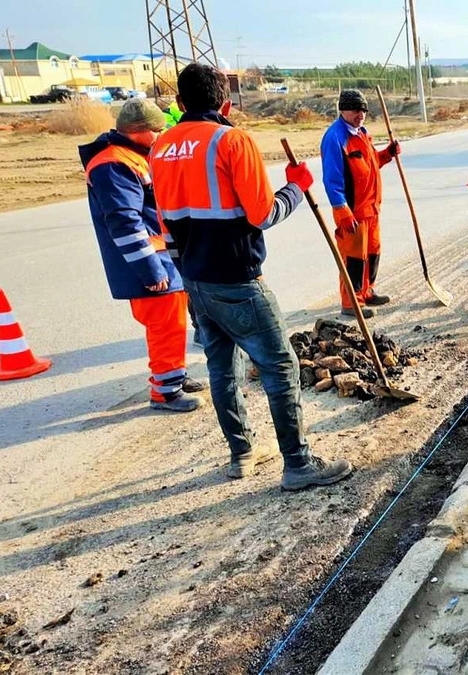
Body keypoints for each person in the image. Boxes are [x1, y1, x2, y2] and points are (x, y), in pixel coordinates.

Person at [148, 63, 354, 490]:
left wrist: (187, 275)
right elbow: (261, 213)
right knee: (281, 368)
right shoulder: (231, 140)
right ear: (226, 103)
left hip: (195, 281)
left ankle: (241, 454)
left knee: (221, 370)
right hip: (238, 280)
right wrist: (295, 186)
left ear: (180, 104)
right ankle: (298, 465)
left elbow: (165, 224)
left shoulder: (161, 148)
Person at [79, 99, 205, 413]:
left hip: (161, 255)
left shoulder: (133, 156)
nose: (162, 136)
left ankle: (175, 375)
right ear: (141, 131)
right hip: (148, 261)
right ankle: (165, 392)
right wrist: (150, 270)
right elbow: (124, 221)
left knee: (173, 323)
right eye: (158, 130)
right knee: (164, 325)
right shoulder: (113, 164)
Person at [319, 89, 400, 318]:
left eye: (363, 110)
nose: (360, 114)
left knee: (372, 253)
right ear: (342, 110)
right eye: (355, 110)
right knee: (353, 258)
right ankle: (351, 302)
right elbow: (331, 180)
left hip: (371, 209)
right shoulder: (335, 138)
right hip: (351, 211)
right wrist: (341, 209)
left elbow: (372, 165)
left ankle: (367, 292)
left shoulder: (362, 134)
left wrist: (387, 154)